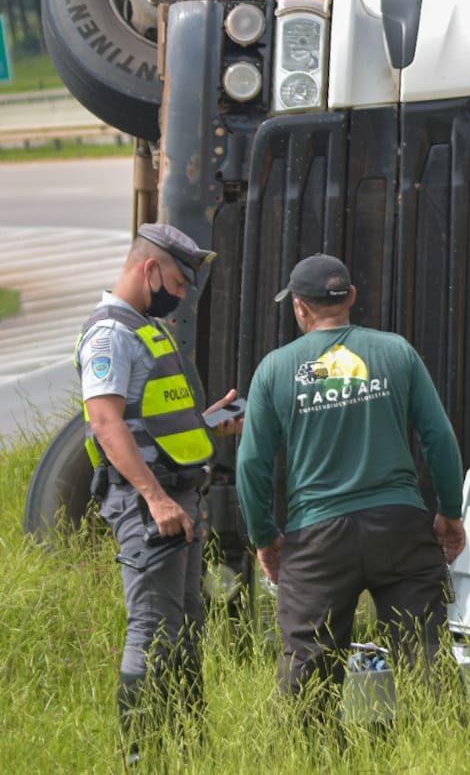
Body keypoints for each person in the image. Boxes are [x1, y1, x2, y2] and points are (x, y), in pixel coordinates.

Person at [236, 253, 466, 725]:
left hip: (317, 537)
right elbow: (439, 437)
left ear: (300, 307)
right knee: (427, 659)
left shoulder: (276, 369)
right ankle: (448, 752)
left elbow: (253, 464)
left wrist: (265, 537)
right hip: (399, 526)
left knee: (309, 675)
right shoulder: (396, 351)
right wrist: (449, 511)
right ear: (352, 299)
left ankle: (314, 758)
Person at [75, 223, 240, 762]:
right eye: (178, 280)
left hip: (178, 498)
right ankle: (142, 755)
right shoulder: (110, 334)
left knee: (185, 626)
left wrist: (208, 421)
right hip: (152, 506)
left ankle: (188, 749)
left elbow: (155, 419)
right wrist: (155, 498)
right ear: (149, 270)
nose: (183, 294)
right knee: (151, 627)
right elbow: (106, 422)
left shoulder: (144, 328)